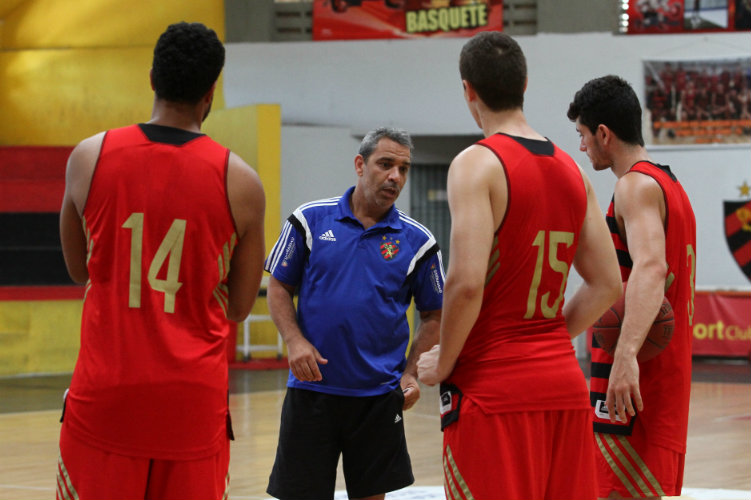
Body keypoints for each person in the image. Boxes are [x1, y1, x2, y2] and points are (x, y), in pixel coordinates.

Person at [57, 22, 266, 500]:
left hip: (106, 398)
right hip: (192, 407)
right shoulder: (242, 183)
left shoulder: (89, 156)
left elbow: (77, 268)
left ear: (152, 77)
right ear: (211, 90)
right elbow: (237, 307)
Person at [416, 31, 622, 500]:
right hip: (564, 386)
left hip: (494, 391)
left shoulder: (477, 164)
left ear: (467, 89)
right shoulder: (572, 169)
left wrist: (444, 361)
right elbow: (608, 284)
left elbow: (466, 282)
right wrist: (547, 339)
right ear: (525, 83)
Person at [264, 127, 444, 500]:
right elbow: (279, 286)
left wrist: (410, 372)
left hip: (378, 399)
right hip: (311, 391)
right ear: (360, 165)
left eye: (404, 168)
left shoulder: (419, 241)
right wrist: (295, 341)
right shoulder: (309, 220)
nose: (396, 176)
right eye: (386, 164)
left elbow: (434, 314)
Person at [567, 75, 697, 499]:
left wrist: (624, 356)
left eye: (583, 135)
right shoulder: (670, 185)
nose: (582, 146)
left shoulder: (634, 186)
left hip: (635, 382)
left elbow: (651, 268)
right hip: (665, 379)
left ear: (603, 133)